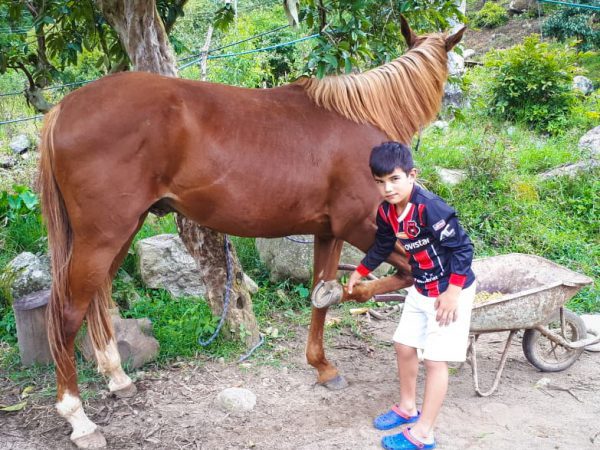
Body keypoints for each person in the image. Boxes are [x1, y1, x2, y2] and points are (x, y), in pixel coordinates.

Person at [347, 141, 476, 450]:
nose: (387, 188)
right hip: (421, 287)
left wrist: (453, 291)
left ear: (411, 175)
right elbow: (382, 245)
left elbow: (463, 248)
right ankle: (407, 407)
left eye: (394, 179)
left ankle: (423, 434)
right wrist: (361, 271)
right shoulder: (387, 212)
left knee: (435, 360)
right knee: (404, 345)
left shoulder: (430, 208)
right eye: (380, 182)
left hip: (449, 291)